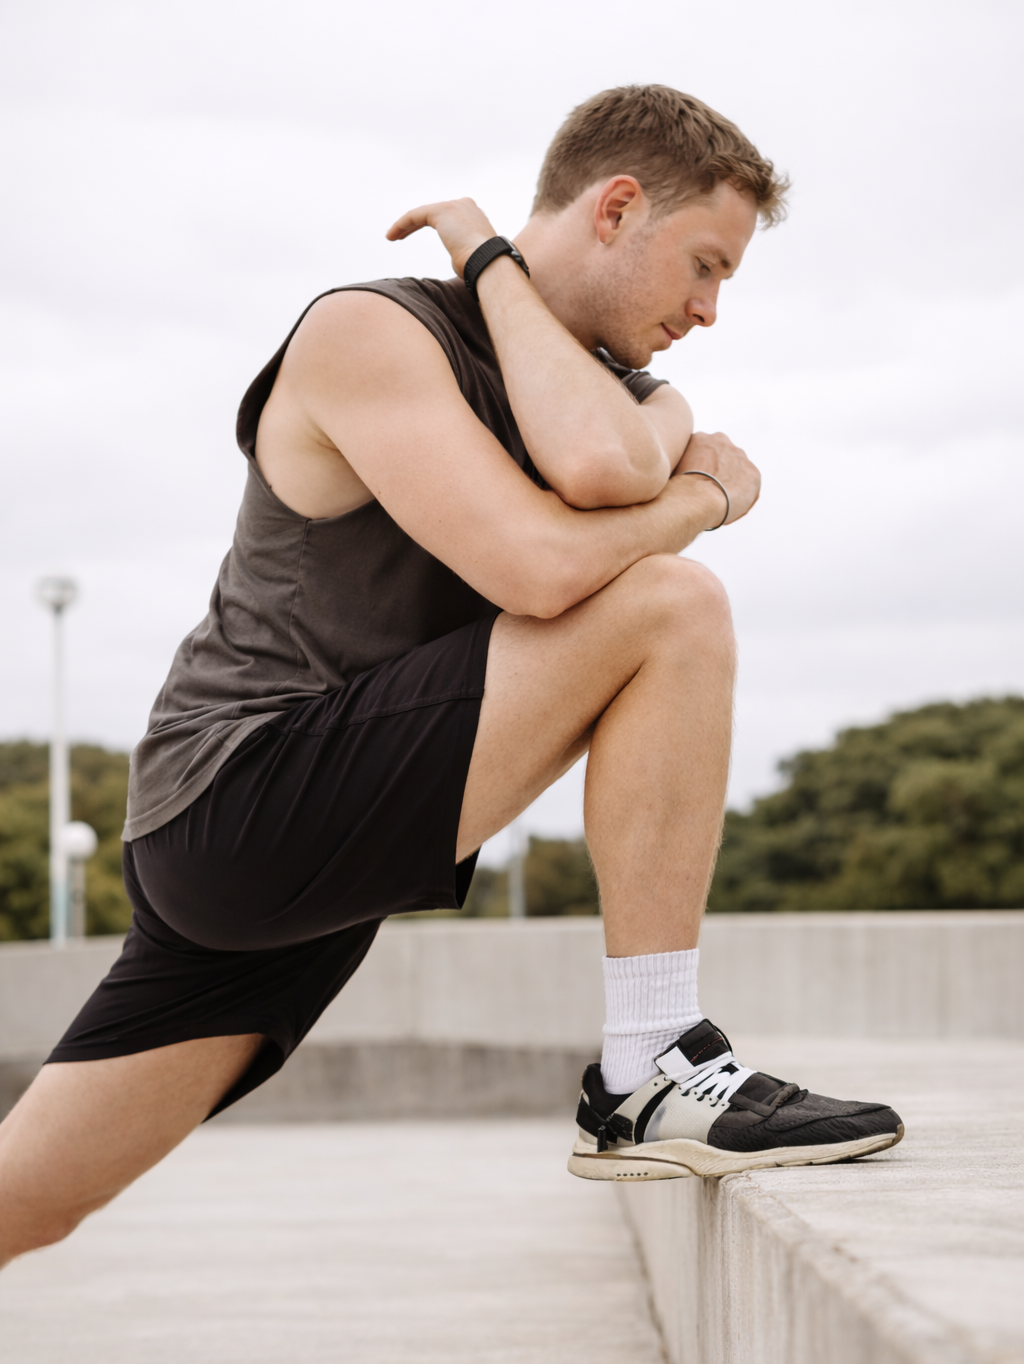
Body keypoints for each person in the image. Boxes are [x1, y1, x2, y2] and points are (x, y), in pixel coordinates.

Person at [0, 84, 902, 1264]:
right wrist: (701, 494)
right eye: (703, 265)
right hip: (250, 793)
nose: (709, 309)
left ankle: (652, 1070)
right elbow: (539, 564)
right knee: (673, 606)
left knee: (33, 1194)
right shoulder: (370, 332)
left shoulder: (613, 394)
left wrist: (631, 395)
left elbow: (592, 455)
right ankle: (652, 1065)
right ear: (616, 206)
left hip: (305, 848)